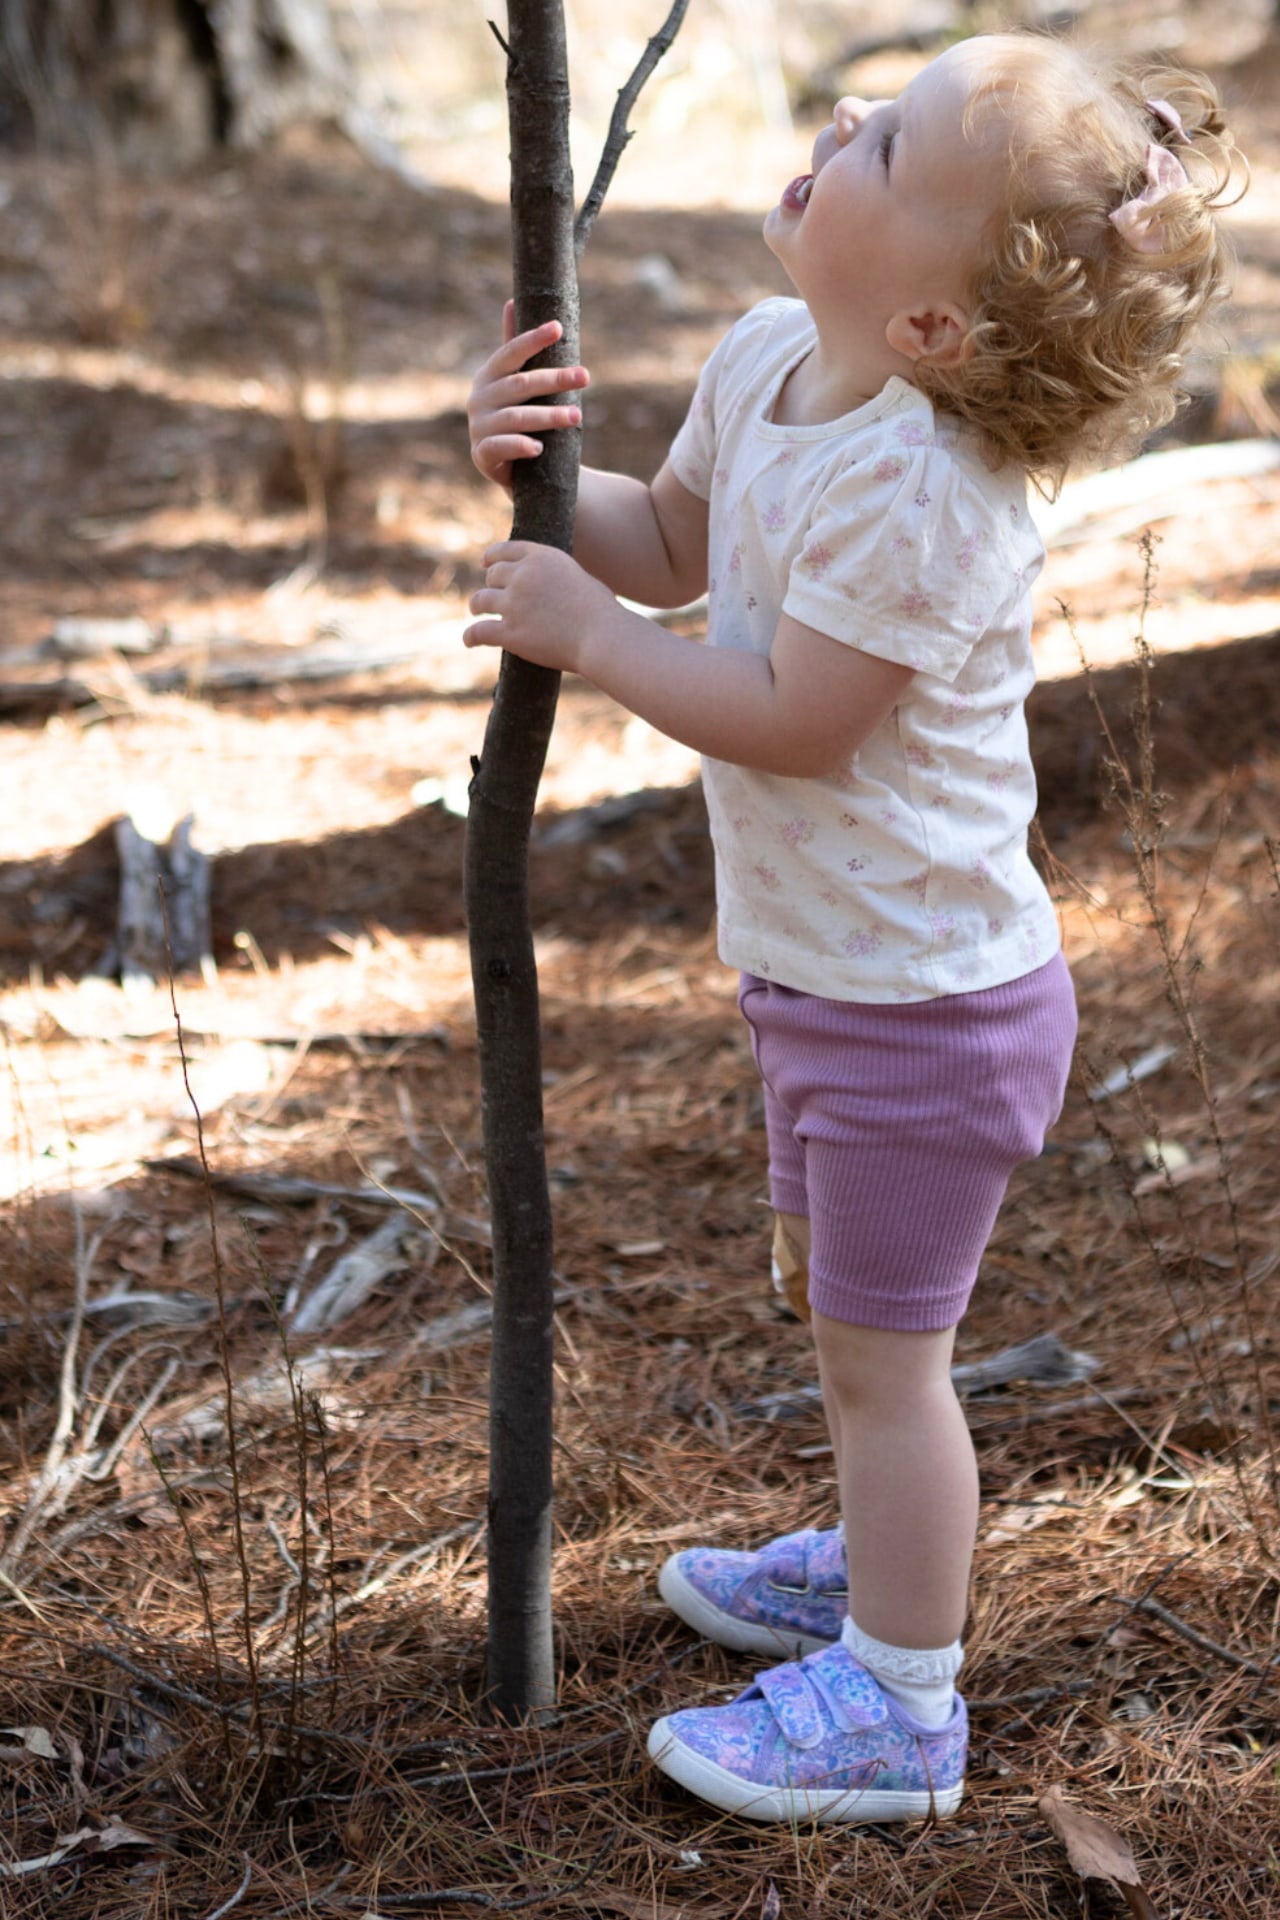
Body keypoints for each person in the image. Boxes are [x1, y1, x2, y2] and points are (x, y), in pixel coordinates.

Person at [463, 30, 1239, 1825]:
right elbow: (662, 539)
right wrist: (516, 473)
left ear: (937, 335)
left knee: (892, 1373)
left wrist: (587, 637)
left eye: (886, 149)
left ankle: (904, 1699)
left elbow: (797, 713)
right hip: (832, 978)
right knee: (848, 1332)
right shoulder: (764, 364)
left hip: (931, 1014)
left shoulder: (929, 495)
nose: (841, 127)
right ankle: (881, 1562)